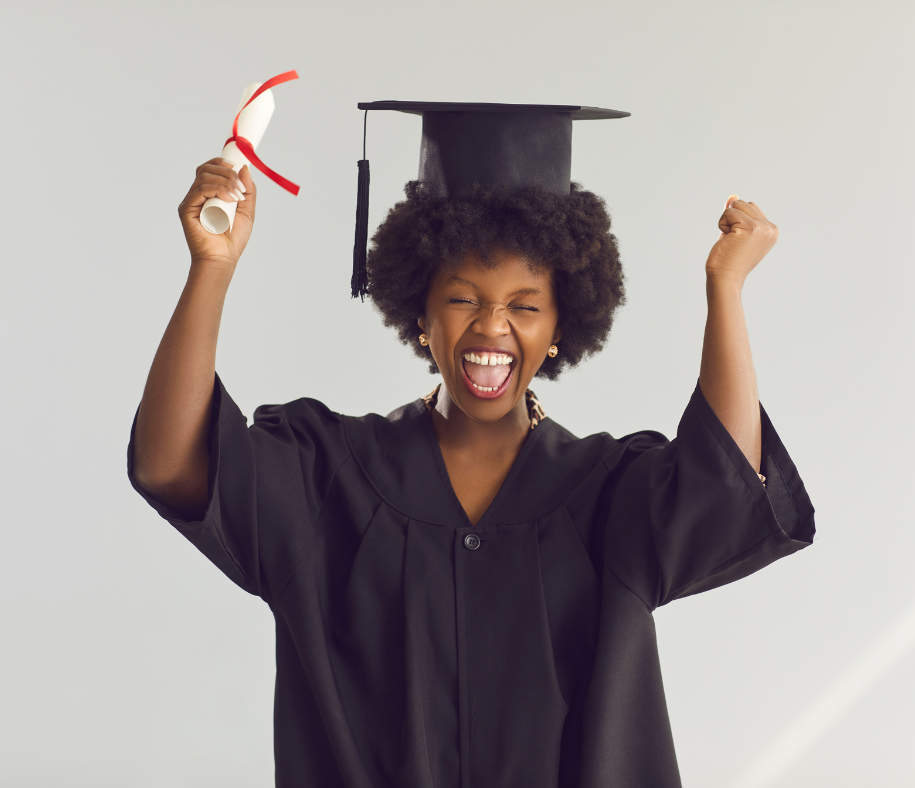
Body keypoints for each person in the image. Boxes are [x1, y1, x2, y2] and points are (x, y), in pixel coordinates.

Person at [128, 102, 815, 788]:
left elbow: (724, 488)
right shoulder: (328, 478)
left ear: (561, 323)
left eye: (525, 305)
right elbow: (173, 464)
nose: (493, 328)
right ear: (419, 312)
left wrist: (725, 287)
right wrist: (211, 267)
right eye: (462, 299)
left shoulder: (609, 495)